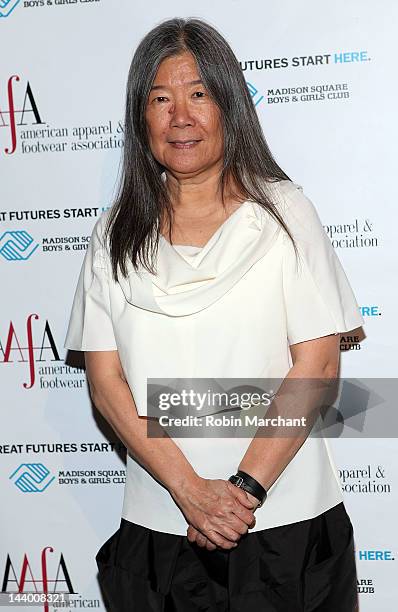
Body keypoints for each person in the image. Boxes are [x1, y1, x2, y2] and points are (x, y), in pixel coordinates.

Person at [64, 17, 364, 612]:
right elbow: (106, 381)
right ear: (140, 117)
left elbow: (318, 366)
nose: (181, 116)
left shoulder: (284, 214)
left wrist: (238, 495)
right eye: (160, 98)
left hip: (285, 525)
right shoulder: (113, 235)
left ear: (230, 105)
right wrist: (189, 492)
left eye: (199, 94)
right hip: (159, 524)